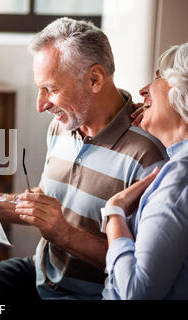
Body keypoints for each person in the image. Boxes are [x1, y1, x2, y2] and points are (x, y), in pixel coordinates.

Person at [0, 17, 168, 300]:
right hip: (39, 274)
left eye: (52, 89)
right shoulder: (62, 125)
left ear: (95, 79)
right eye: (40, 88)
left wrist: (64, 233)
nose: (40, 105)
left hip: (91, 295)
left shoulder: (150, 155)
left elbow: (142, 271)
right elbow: (49, 200)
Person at [99, 43, 188, 300]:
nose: (143, 90)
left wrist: (114, 212)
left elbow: (137, 292)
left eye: (159, 77)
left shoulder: (180, 177)